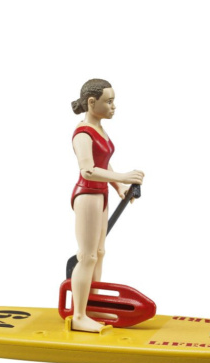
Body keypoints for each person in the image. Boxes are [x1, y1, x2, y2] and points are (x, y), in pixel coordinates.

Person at [70, 79, 144, 332]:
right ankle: (79, 316)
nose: (114, 106)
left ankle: (91, 305)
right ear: (92, 103)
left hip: (101, 194)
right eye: (109, 101)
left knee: (99, 253)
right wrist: (122, 176)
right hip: (88, 195)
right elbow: (88, 170)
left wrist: (118, 186)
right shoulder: (83, 133)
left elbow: (102, 161)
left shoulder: (99, 128)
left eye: (113, 101)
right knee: (87, 255)